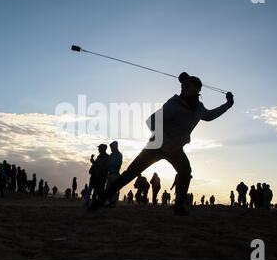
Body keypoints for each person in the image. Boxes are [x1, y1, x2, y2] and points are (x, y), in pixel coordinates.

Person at [88, 72, 234, 216]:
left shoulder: (199, 109)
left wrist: (228, 104)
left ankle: (179, 207)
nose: (183, 87)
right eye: (183, 85)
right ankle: (100, 201)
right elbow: (151, 121)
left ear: (197, 89)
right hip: (156, 145)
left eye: (187, 85)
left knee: (185, 172)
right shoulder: (174, 104)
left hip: (176, 149)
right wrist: (166, 141)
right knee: (130, 174)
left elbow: (209, 116)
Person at [106, 141, 123, 207]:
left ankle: (112, 203)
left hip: (115, 174)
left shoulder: (119, 154)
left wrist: (109, 164)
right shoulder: (111, 155)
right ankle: (110, 202)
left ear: (115, 147)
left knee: (113, 189)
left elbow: (117, 164)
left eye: (112, 147)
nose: (111, 149)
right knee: (108, 189)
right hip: (110, 174)